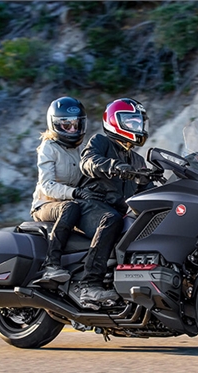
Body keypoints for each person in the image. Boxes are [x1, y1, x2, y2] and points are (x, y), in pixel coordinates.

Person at [77, 98, 153, 307]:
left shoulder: (137, 160)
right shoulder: (100, 142)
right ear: (114, 121)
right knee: (111, 220)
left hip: (119, 208)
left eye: (139, 122)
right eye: (131, 122)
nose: (137, 126)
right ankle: (89, 285)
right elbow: (88, 162)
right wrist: (114, 166)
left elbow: (147, 191)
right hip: (91, 204)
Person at [31, 96, 104, 282]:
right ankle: (51, 265)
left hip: (75, 202)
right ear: (55, 125)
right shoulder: (49, 148)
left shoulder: (81, 149)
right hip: (46, 204)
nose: (73, 130)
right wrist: (75, 193)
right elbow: (47, 186)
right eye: (66, 125)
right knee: (70, 208)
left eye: (76, 125)